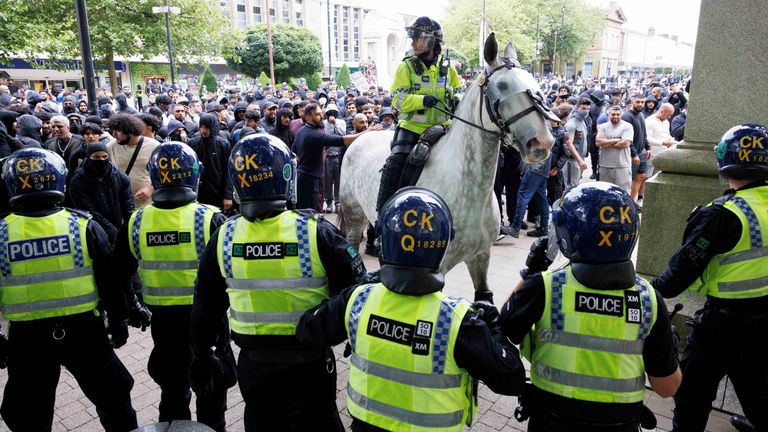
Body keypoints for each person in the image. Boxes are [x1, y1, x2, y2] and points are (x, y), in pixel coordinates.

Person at [296, 187, 526, 432]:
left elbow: (306, 330)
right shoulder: (457, 322)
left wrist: (357, 287)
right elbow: (512, 380)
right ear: (442, 246)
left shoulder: (357, 301)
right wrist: (495, 327)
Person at [190, 135, 367, 431]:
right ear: (285, 175)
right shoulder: (315, 231)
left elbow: (206, 305)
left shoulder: (224, 236)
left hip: (254, 365)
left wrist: (203, 353)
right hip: (309, 363)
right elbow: (357, 290)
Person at [501, 182, 681, 431]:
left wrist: (531, 270)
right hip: (620, 425)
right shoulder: (649, 299)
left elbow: (505, 325)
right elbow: (666, 387)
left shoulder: (547, 288)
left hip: (551, 421)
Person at [0, 148, 138, 431]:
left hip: (27, 340)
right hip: (85, 333)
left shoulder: (2, 233)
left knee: (29, 416)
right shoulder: (81, 225)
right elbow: (110, 281)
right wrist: (120, 320)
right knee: (115, 402)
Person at [652, 124, 768, 432]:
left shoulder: (723, 214)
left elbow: (680, 272)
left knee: (693, 394)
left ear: (723, 159)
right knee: (757, 388)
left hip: (723, 323)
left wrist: (650, 291)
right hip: (763, 316)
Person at [113, 142, 235, 431]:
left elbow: (117, 274)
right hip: (210, 327)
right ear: (194, 175)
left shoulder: (136, 221)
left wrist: (132, 306)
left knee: (172, 394)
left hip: (165, 326)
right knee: (212, 399)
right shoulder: (210, 219)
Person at [375, 16, 461, 214]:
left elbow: (458, 89)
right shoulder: (405, 67)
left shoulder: (448, 68)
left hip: (443, 128)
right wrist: (422, 100)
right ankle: (383, 215)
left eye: (417, 38)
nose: (412, 43)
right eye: (412, 38)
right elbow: (397, 99)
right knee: (394, 164)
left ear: (431, 41)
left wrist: (458, 97)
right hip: (412, 128)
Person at [294, 103, 368, 210]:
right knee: (307, 214)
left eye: (321, 114)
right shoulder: (314, 135)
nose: (321, 117)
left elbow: (295, 154)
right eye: (317, 115)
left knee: (304, 212)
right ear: (309, 117)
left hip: (302, 177)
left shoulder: (300, 131)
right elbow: (341, 140)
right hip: (308, 181)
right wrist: (367, 132)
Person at [69, 141, 134, 244]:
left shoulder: (120, 177)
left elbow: (128, 204)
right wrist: (112, 231)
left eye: (104, 156)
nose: (101, 160)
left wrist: (128, 228)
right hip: (93, 231)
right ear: (88, 157)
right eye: (96, 157)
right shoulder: (78, 181)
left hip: (117, 226)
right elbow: (87, 210)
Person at [107, 113, 161, 209]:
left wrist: (151, 188)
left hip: (147, 204)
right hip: (122, 204)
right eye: (113, 130)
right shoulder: (111, 146)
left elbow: (165, 174)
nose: (114, 134)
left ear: (130, 130)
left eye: (118, 130)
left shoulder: (154, 146)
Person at [187, 113, 234, 212]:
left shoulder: (223, 145)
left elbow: (228, 172)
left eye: (207, 127)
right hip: (198, 194)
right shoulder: (192, 143)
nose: (203, 130)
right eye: (201, 127)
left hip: (218, 194)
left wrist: (228, 196)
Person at [596, 105, 634, 193]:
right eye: (613, 114)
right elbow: (598, 143)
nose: (615, 116)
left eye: (618, 114)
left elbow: (625, 144)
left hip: (622, 166)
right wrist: (617, 139)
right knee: (605, 193)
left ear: (621, 115)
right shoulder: (603, 126)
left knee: (623, 193)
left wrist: (606, 142)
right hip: (605, 165)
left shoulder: (627, 126)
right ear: (609, 115)